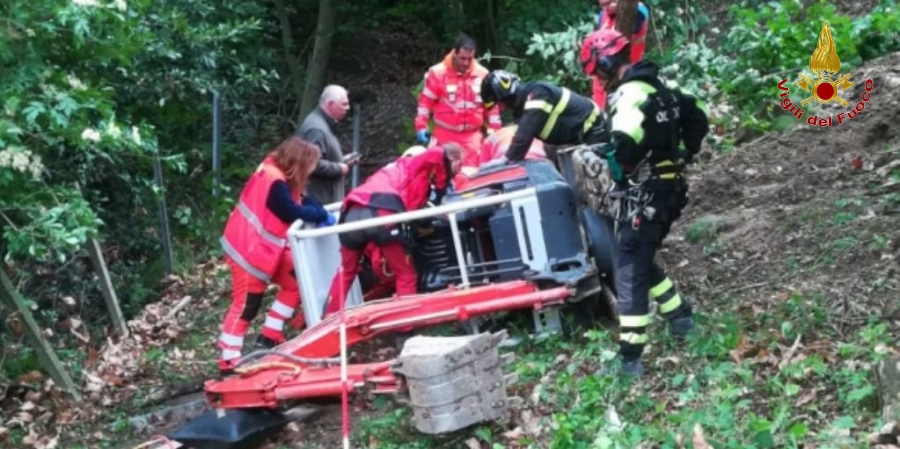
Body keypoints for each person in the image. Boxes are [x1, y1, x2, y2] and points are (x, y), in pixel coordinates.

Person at [580, 28, 709, 377]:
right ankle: (680, 315)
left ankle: (630, 358)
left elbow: (625, 142)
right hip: (669, 188)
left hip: (648, 192)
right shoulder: (664, 88)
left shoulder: (629, 95)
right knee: (635, 255)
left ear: (605, 63)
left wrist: (613, 163)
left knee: (629, 273)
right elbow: (698, 114)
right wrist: (685, 150)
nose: (599, 78)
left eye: (597, 71)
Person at [217, 136, 337, 376]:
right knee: (246, 306)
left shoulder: (278, 175)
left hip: (260, 250)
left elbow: (298, 200)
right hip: (247, 252)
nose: (312, 171)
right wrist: (318, 214)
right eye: (310, 165)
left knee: (296, 280)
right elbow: (290, 210)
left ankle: (270, 335)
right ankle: (228, 360)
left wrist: (318, 209)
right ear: (299, 162)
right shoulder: (275, 181)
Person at [322, 144, 464, 316]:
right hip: (379, 212)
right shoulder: (414, 163)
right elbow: (438, 153)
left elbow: (411, 210)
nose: (459, 170)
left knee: (346, 271)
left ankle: (329, 318)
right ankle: (405, 329)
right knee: (406, 274)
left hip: (352, 210)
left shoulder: (397, 173)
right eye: (459, 165)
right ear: (451, 160)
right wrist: (444, 181)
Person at [477, 70, 608, 170]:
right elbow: (523, 144)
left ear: (505, 96)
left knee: (597, 186)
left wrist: (505, 160)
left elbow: (525, 133)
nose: (501, 108)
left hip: (596, 133)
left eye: (499, 103)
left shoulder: (539, 93)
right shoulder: (521, 110)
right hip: (578, 141)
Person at [415, 34, 502, 170]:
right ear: (454, 53)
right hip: (444, 136)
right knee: (443, 174)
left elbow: (491, 107)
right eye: (462, 58)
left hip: (472, 138)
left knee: (472, 177)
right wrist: (421, 126)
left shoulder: (482, 74)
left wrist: (494, 131)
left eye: (470, 59)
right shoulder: (437, 73)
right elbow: (425, 103)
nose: (466, 63)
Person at [296, 85, 358, 205]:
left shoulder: (322, 123)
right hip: (320, 204)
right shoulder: (316, 129)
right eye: (344, 104)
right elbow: (310, 163)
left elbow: (320, 157)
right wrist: (338, 168)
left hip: (324, 200)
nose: (348, 108)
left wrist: (341, 160)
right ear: (330, 105)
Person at [590, 0, 651, 109]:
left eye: (609, 3)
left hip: (627, 70)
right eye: (602, 5)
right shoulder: (603, 15)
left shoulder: (637, 11)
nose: (606, 8)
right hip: (602, 73)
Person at [480, 124, 547, 164]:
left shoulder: (492, 137)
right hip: (537, 156)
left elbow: (483, 167)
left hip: (506, 159)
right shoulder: (531, 132)